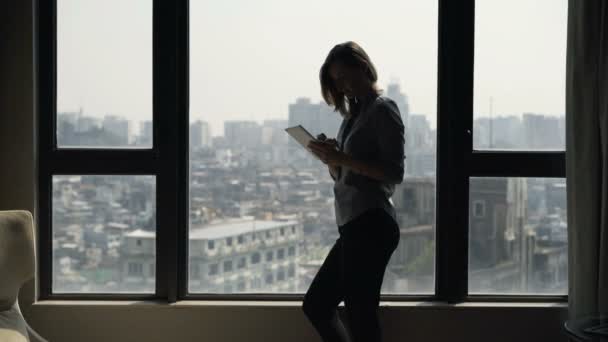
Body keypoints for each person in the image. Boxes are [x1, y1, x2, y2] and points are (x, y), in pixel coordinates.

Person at [302, 41, 406, 342]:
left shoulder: (383, 109)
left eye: (346, 76)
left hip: (372, 223)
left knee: (360, 312)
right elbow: (345, 174)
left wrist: (342, 159)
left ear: (363, 67)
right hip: (353, 224)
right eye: (336, 81)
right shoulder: (352, 118)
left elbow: (394, 173)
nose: (343, 86)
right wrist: (331, 160)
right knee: (319, 305)